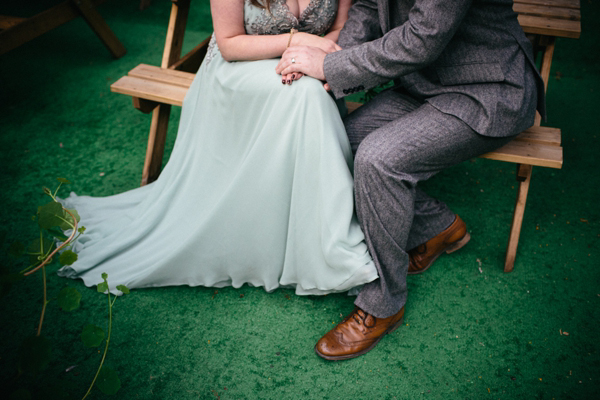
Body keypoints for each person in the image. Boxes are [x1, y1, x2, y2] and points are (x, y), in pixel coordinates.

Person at [276, 0, 544, 360]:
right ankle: (438, 227)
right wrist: (333, 62)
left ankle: (384, 305)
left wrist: (328, 64)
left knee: (379, 159)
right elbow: (370, 6)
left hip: (488, 89)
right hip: (423, 83)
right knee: (340, 144)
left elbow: (422, 39)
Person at [58, 0, 380, 297]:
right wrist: (295, 44)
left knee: (308, 92)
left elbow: (342, 27)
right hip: (238, 74)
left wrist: (313, 60)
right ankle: (331, 252)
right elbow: (229, 44)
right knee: (307, 95)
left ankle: (323, 244)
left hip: (302, 72)